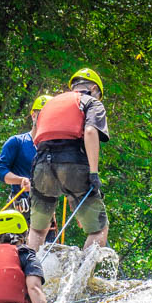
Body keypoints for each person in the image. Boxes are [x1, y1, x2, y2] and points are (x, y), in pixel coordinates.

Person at [25, 68, 110, 251]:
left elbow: (38, 137)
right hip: (74, 165)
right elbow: (90, 131)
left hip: (41, 166)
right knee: (98, 230)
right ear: (94, 88)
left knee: (37, 230)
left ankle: (30, 267)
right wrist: (93, 173)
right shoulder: (90, 102)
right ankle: (82, 269)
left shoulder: (50, 105)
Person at [0, 96, 45, 198]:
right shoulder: (17, 142)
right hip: (21, 204)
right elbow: (0, 171)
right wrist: (21, 180)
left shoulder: (55, 148)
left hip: (47, 206)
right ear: (33, 116)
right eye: (42, 115)